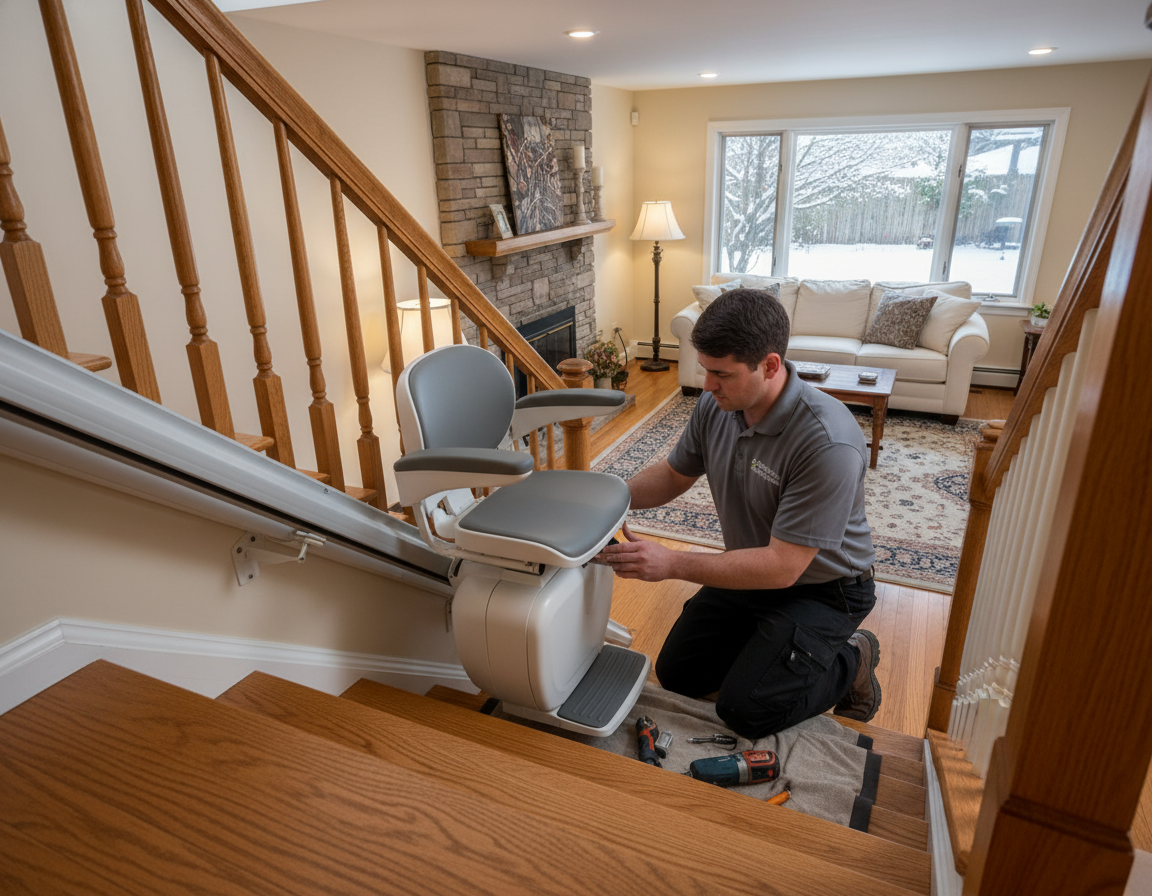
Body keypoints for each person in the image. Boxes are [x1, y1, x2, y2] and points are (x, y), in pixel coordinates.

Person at [598, 288, 880, 739]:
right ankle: (772, 647)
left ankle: (855, 658)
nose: (707, 385)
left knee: (747, 711)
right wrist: (608, 497)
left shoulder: (828, 441)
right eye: (706, 370)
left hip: (824, 589)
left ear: (769, 366)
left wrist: (672, 563)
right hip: (752, 570)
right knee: (679, 674)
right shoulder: (719, 404)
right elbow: (674, 474)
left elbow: (785, 567)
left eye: (720, 374)